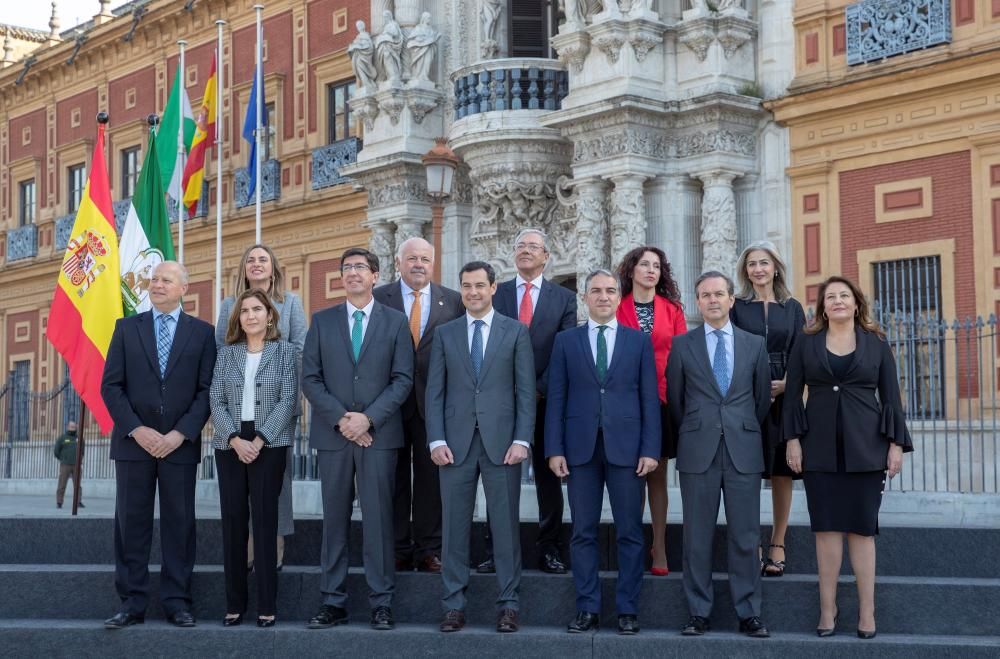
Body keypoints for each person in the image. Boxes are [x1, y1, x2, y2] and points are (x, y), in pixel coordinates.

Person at [784, 275, 912, 639]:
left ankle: (866, 613)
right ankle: (828, 610)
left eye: (844, 296)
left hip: (866, 448)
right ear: (822, 306)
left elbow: (891, 399)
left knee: (862, 531)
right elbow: (792, 396)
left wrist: (895, 445)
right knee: (825, 532)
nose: (837, 301)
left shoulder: (876, 344)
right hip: (818, 449)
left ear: (856, 304)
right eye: (830, 297)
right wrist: (793, 441)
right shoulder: (806, 344)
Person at [301, 247, 413, 631]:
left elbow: (403, 379)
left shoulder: (396, 322)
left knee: (380, 521)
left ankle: (381, 602)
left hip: (379, 436)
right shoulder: (322, 320)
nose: (352, 273)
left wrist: (367, 420)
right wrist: (343, 421)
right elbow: (310, 378)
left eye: (359, 268)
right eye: (346, 268)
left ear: (375, 276)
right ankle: (333, 601)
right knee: (334, 520)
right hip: (334, 437)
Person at [101, 261, 216, 629]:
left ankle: (177, 601)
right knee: (131, 524)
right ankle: (131, 603)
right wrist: (137, 429)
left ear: (185, 287)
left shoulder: (202, 334)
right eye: (154, 279)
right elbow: (111, 387)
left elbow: (206, 391)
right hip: (134, 444)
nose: (157, 284)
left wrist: (180, 434)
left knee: (179, 524)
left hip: (178, 445)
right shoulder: (125, 328)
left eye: (166, 280)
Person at [546, 269, 660, 635]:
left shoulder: (637, 341)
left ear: (618, 296)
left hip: (628, 449)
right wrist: (554, 449)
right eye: (596, 291)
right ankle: (587, 608)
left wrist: (650, 449)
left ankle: (627, 610)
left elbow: (648, 399)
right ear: (585, 297)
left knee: (629, 531)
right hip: (579, 450)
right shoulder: (566, 341)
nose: (604, 297)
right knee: (582, 531)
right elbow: (557, 399)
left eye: (610, 291)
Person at [425, 261, 535, 634]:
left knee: (504, 527)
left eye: (479, 286)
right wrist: (436, 438)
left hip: (503, 444)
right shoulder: (446, 333)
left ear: (492, 288)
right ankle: (454, 604)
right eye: (466, 285)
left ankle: (508, 604)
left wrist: (522, 439)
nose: (472, 292)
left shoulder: (515, 332)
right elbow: (434, 391)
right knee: (454, 529)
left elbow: (525, 391)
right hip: (453, 444)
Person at [667, 271, 771, 638]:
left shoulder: (754, 344)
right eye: (705, 295)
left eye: (719, 294)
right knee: (697, 536)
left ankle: (749, 613)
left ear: (731, 300)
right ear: (698, 302)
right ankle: (698, 612)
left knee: (745, 535)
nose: (712, 300)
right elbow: (677, 403)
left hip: (743, 449)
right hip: (698, 451)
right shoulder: (683, 345)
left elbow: (760, 402)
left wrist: (737, 426)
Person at [483, 229, 575, 576]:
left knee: (549, 480)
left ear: (546, 256)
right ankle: (496, 550)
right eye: (520, 246)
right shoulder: (498, 294)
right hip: (501, 403)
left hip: (546, 402)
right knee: (499, 477)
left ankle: (549, 548)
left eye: (533, 247)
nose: (525, 251)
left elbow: (564, 350)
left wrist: (535, 389)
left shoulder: (564, 298)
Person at [373, 237, 464, 574]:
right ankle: (397, 548)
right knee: (393, 479)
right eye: (412, 258)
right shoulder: (379, 298)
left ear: (433, 262)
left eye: (425, 259)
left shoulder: (452, 301)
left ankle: (429, 549)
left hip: (434, 405)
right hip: (388, 406)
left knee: (431, 481)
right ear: (398, 262)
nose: (418, 264)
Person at [210, 289, 298, 627]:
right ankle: (234, 603)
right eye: (244, 310)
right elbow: (215, 400)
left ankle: (266, 605)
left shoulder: (285, 352)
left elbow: (288, 399)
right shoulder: (226, 355)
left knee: (264, 522)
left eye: (257, 309)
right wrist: (234, 438)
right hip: (229, 443)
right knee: (233, 523)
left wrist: (259, 440)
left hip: (269, 444)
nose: (251, 315)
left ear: (270, 315)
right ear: (238, 319)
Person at [216, 244, 306, 573]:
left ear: (273, 268)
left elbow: (299, 349)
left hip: (279, 407)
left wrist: (285, 395)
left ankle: (274, 547)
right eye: (250, 259)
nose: (256, 264)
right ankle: (247, 549)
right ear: (243, 268)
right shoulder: (229, 304)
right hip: (238, 407)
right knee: (241, 482)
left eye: (263, 260)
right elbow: (221, 348)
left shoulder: (291, 303)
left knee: (276, 482)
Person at [730, 241, 806, 578]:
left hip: (785, 396)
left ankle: (777, 543)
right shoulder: (737, 307)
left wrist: (788, 383)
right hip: (745, 396)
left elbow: (803, 352)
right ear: (745, 271)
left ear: (776, 267)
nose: (758, 269)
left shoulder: (792, 308)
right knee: (746, 473)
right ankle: (752, 546)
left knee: (781, 473)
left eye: (763, 263)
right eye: (751, 264)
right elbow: (729, 351)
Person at [615, 246, 686, 576]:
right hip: (625, 401)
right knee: (631, 475)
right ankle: (632, 543)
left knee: (657, 474)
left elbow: (683, 354)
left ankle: (659, 545)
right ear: (631, 270)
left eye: (656, 266)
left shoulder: (672, 309)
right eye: (644, 264)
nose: (651, 270)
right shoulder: (616, 307)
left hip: (661, 398)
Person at [54, 421, 83, 509]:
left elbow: (82, 451)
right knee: (62, 484)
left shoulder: (79, 438)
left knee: (77, 485)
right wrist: (63, 459)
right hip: (65, 465)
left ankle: (78, 502)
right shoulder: (62, 438)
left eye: (74, 427)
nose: (73, 429)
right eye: (71, 427)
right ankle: (59, 502)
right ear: (67, 427)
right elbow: (56, 451)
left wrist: (79, 459)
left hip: (76, 465)